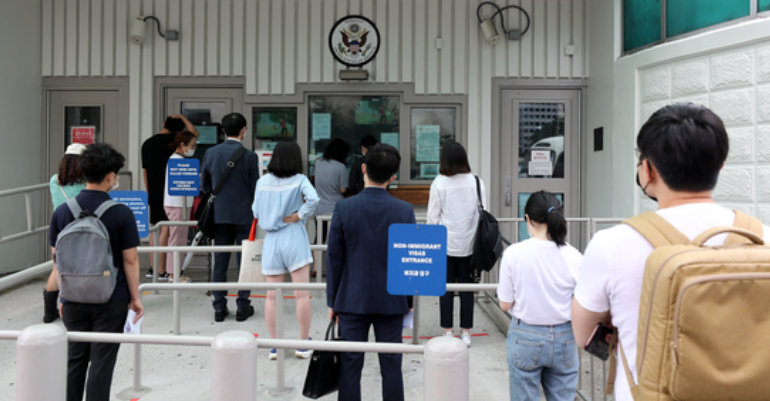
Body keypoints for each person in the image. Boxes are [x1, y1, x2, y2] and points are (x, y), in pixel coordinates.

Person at [571, 103, 770, 401]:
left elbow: (583, 334)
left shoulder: (611, 244)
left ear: (648, 169)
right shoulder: (762, 236)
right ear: (720, 165)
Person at [49, 143, 144, 401]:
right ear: (111, 176)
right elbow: (131, 260)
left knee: (75, 358)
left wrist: (62, 296)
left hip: (73, 298)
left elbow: (58, 260)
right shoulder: (121, 213)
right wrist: (135, 298)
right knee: (102, 361)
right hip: (111, 297)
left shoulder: (62, 212)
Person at [326, 143, 415, 401]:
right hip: (392, 299)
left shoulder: (344, 208)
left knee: (350, 365)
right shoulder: (404, 210)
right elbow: (409, 260)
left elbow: (334, 259)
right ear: (393, 177)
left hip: (351, 299)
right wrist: (408, 301)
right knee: (392, 365)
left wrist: (333, 301)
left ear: (363, 169)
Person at [498, 191, 582, 401]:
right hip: (565, 338)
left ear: (528, 219)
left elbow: (505, 304)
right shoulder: (574, 256)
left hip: (526, 336)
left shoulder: (513, 253)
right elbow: (584, 302)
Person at [252, 141, 319, 360]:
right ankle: (303, 344)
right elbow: (314, 199)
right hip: (293, 236)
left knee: (272, 296)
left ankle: (276, 346)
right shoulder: (300, 179)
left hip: (271, 239)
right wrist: (300, 214)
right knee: (302, 295)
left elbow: (255, 211)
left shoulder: (262, 182)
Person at [200, 112, 259, 322]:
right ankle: (242, 306)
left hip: (219, 214)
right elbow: (254, 189)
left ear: (223, 131)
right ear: (244, 130)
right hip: (244, 215)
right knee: (245, 261)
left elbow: (205, 186)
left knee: (220, 260)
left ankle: (219, 307)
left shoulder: (211, 153)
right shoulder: (250, 156)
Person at [427, 141, 485, 346]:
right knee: (467, 288)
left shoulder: (439, 183)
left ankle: (448, 331)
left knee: (446, 288)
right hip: (470, 245)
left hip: (446, 244)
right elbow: (483, 213)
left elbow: (432, 218)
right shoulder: (476, 182)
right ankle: (466, 332)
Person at [141, 115, 199, 279]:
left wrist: (149, 192)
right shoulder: (175, 142)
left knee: (156, 228)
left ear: (163, 124)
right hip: (170, 190)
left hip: (154, 189)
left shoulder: (148, 143)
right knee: (167, 229)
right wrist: (183, 117)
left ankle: (153, 268)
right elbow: (194, 134)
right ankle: (162, 270)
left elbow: (144, 170)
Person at [44, 143, 87, 323]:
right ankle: (78, 306)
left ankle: (49, 312)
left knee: (57, 267)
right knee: (84, 265)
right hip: (81, 225)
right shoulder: (86, 181)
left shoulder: (54, 180)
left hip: (59, 225)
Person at [163, 131, 197, 283]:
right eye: (192, 146)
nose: (193, 149)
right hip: (178, 205)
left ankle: (174, 273)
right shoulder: (177, 161)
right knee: (177, 240)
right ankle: (173, 274)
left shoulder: (177, 160)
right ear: (182, 145)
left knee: (178, 239)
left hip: (180, 204)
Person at [314, 138, 350, 241]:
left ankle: (317, 253)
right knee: (336, 239)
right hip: (335, 209)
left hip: (319, 208)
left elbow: (315, 179)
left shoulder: (318, 162)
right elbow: (343, 190)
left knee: (319, 238)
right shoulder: (341, 167)